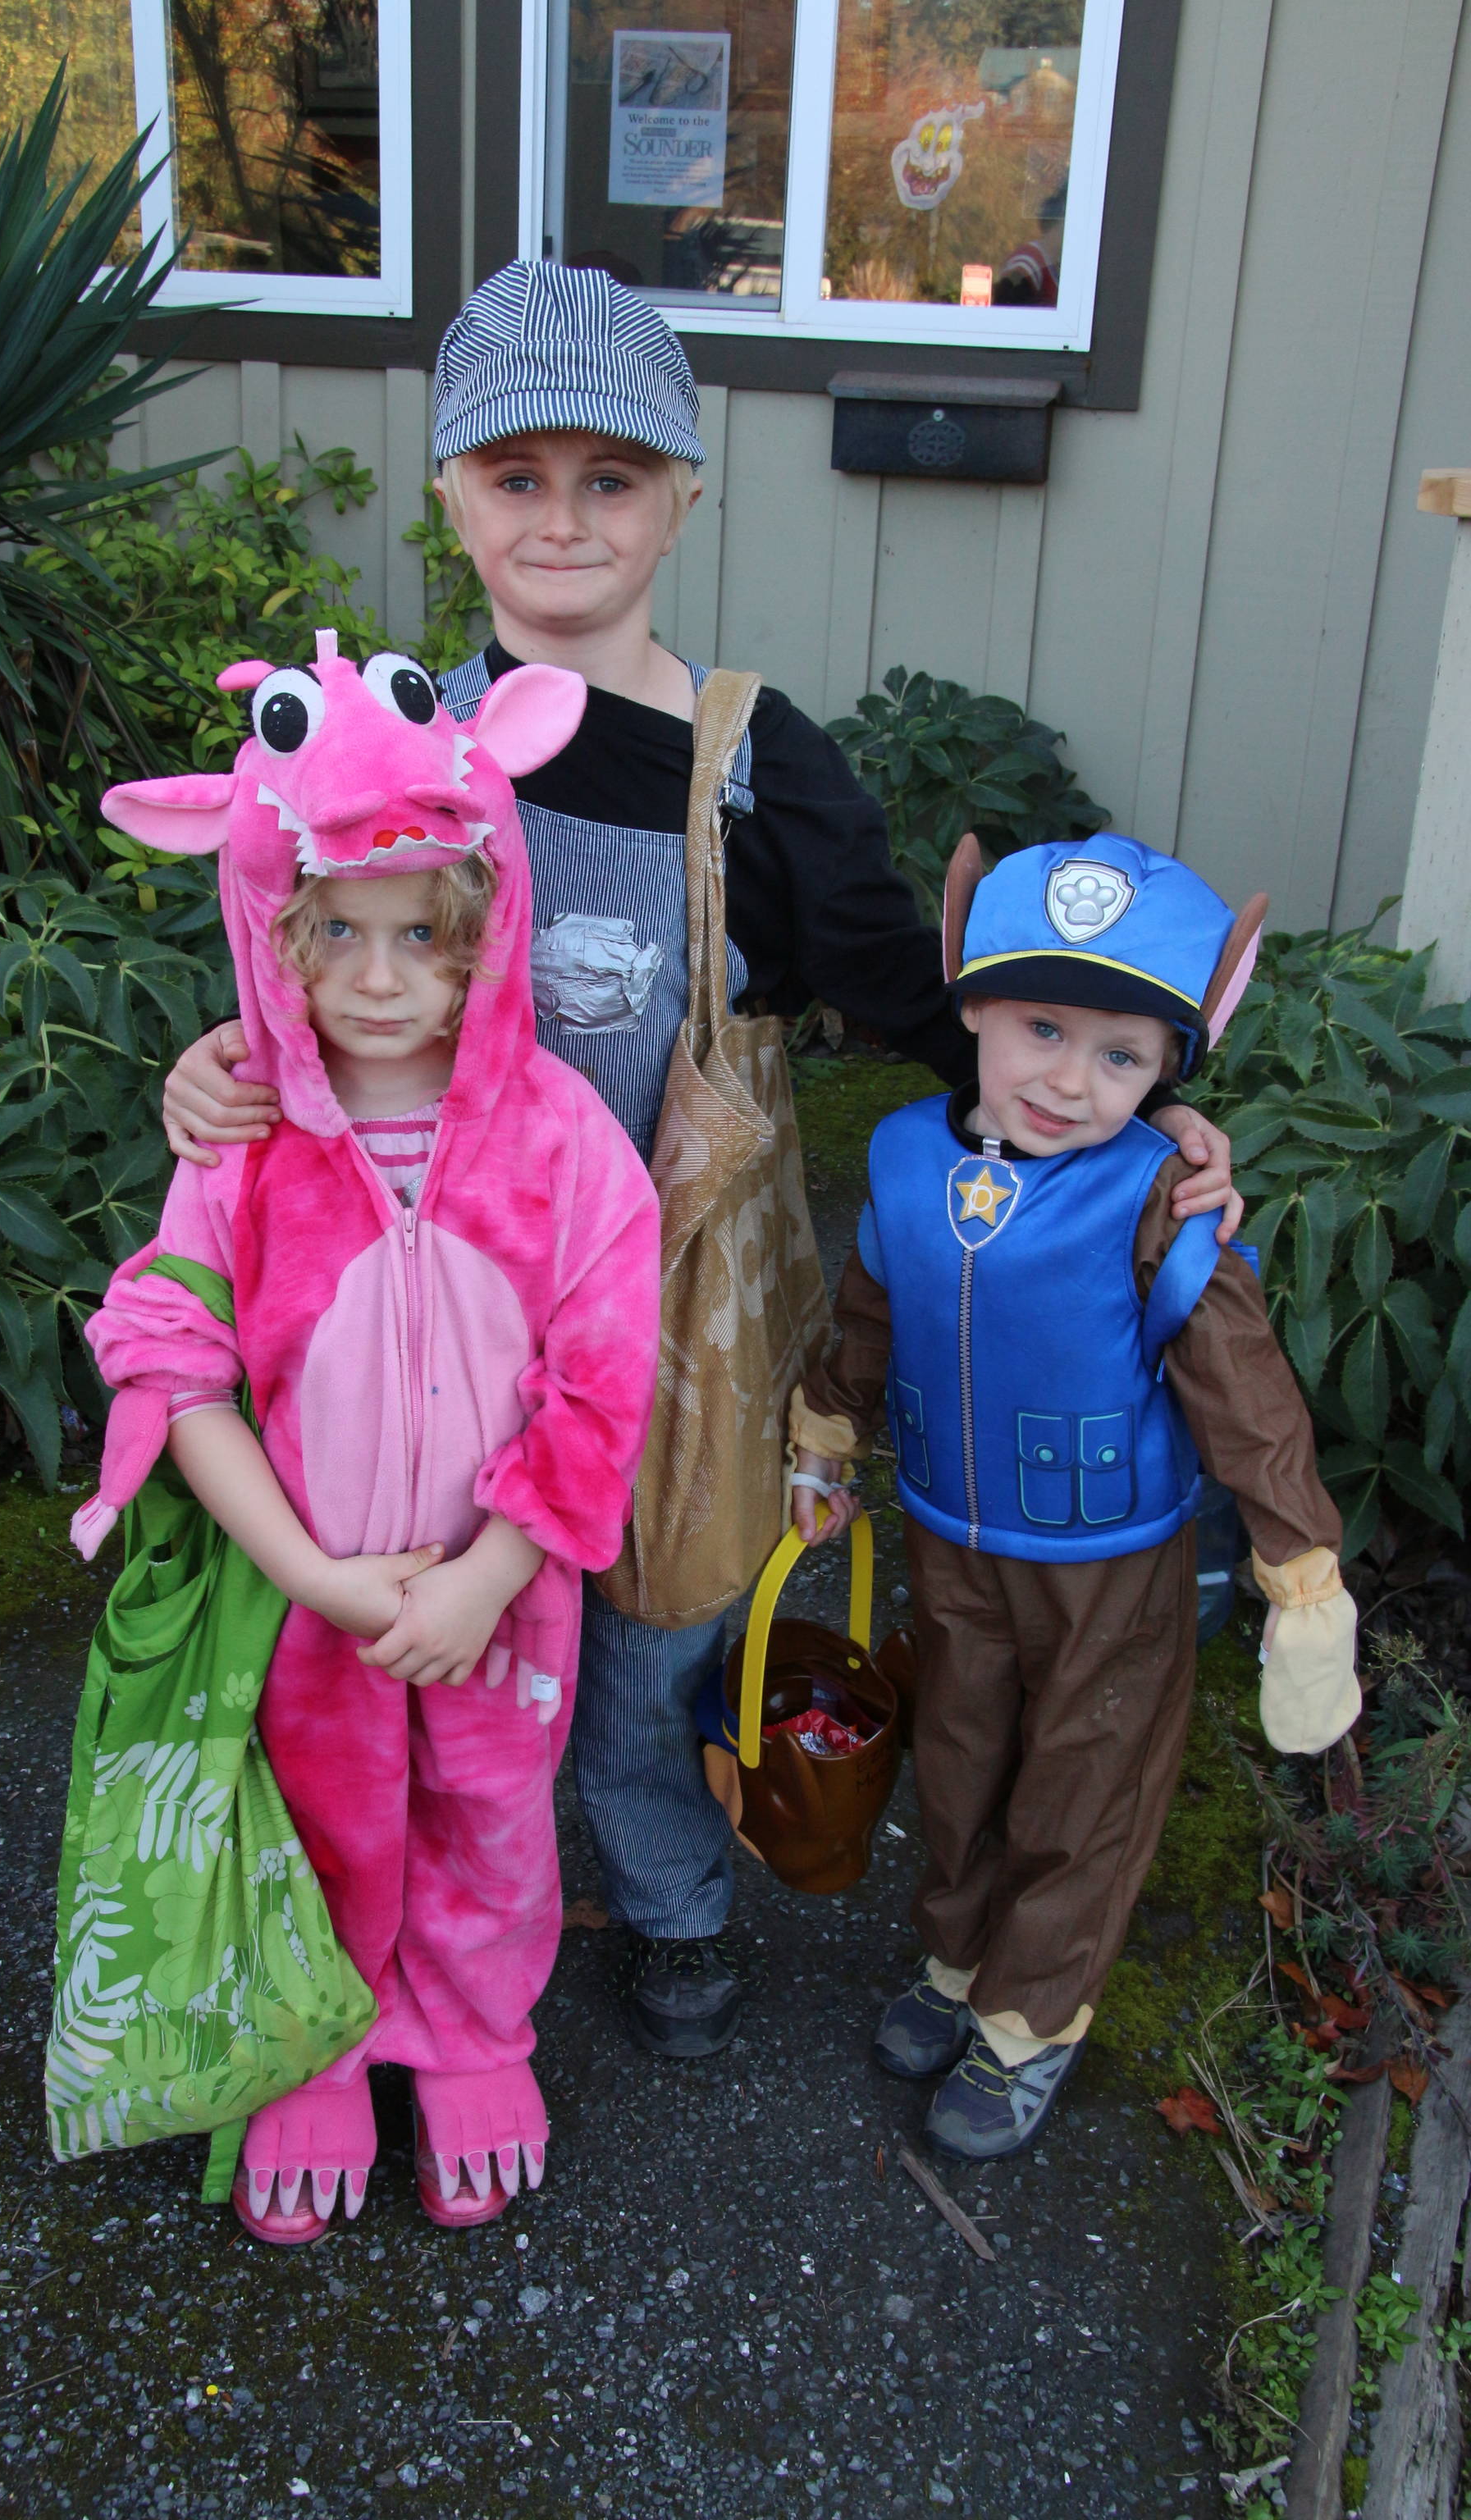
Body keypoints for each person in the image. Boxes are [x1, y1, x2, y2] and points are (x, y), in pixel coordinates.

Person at [154, 258, 1240, 2062]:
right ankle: (418, 1920)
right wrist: (223, 1065)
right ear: (450, 495)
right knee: (435, 1613)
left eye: (611, 478)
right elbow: (306, 959)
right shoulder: (398, 743)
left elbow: (917, 990)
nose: (561, 520)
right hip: (436, 1296)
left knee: (649, 1633)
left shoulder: (749, 762)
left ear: (681, 497)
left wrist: (1135, 1106)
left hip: (672, 1295)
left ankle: (667, 1899)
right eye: (516, 476)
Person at [72, 633, 660, 2240]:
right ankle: (312, 2049)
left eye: (422, 932)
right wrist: (308, 1576)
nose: (383, 977)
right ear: (272, 922)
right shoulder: (242, 1141)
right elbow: (177, 1368)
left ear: (488, 923)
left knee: (491, 1817)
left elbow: (605, 1378)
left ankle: (472, 2037)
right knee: (319, 1814)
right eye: (336, 927)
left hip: (499, 1591)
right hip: (303, 1594)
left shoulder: (563, 1141)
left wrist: (488, 1574)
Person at [789, 834, 1359, 2161]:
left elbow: (1243, 1387)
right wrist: (827, 1434)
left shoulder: (1163, 1195)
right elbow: (872, 1311)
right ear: (973, 1004)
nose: (1067, 1079)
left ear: (1169, 1070)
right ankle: (956, 1962)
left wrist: (1301, 1568)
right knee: (960, 1760)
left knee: (1085, 1785)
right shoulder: (902, 1159)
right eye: (1042, 1028)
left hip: (1110, 1565)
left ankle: (1030, 2018)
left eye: (1121, 1055)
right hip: (953, 1541)